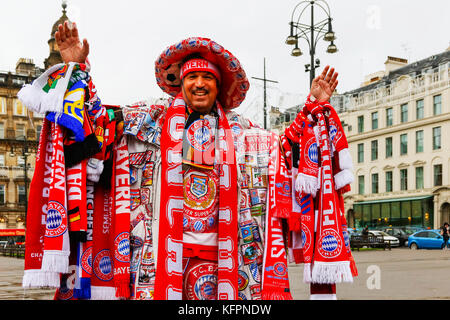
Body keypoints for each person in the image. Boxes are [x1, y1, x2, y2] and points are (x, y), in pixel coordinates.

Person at [21, 20, 356, 300]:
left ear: (218, 86)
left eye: (207, 77)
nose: (199, 83)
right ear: (179, 84)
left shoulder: (243, 133)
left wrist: (313, 107)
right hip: (159, 266)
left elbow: (286, 151)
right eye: (192, 77)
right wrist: (75, 68)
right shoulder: (150, 120)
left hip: (229, 266)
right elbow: (96, 122)